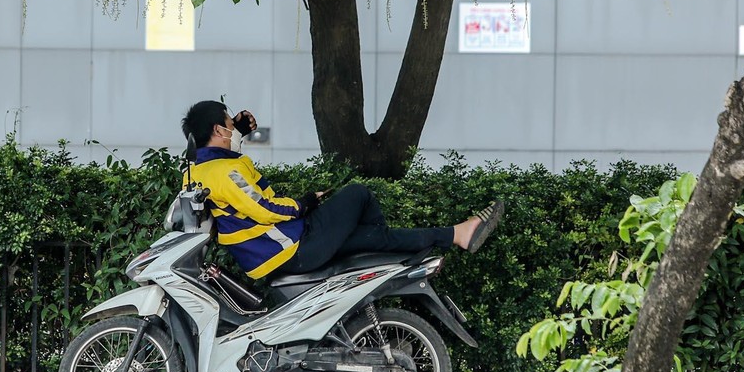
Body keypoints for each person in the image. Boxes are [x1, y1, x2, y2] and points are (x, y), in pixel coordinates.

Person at [179, 100, 504, 280]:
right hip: (287, 250)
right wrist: (305, 203)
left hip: (276, 251)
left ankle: (456, 234)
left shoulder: (198, 171)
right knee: (357, 194)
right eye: (230, 123)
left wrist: (239, 135)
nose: (236, 126)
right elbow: (264, 208)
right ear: (220, 129)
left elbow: (229, 177)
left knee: (366, 235)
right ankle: (387, 250)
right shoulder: (227, 171)